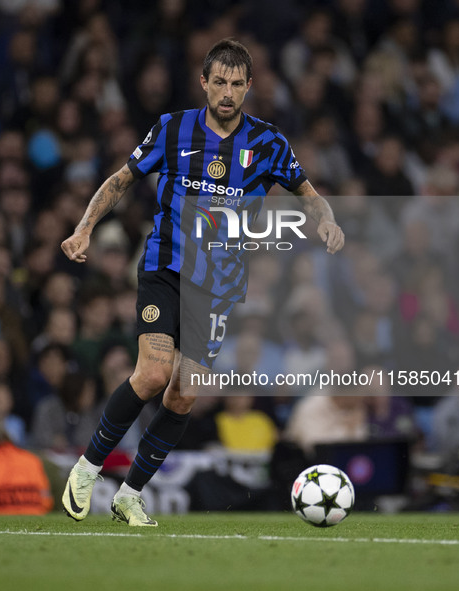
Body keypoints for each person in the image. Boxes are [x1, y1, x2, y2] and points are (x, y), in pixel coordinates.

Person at [59, 39, 344, 526]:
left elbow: (309, 193)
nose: (228, 93)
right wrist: (85, 226)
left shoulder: (269, 143)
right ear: (204, 82)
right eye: (220, 82)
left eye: (237, 84)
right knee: (152, 373)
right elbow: (121, 180)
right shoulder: (172, 130)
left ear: (249, 87)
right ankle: (86, 470)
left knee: (183, 394)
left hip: (219, 285)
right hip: (165, 268)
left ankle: (131, 494)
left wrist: (327, 220)